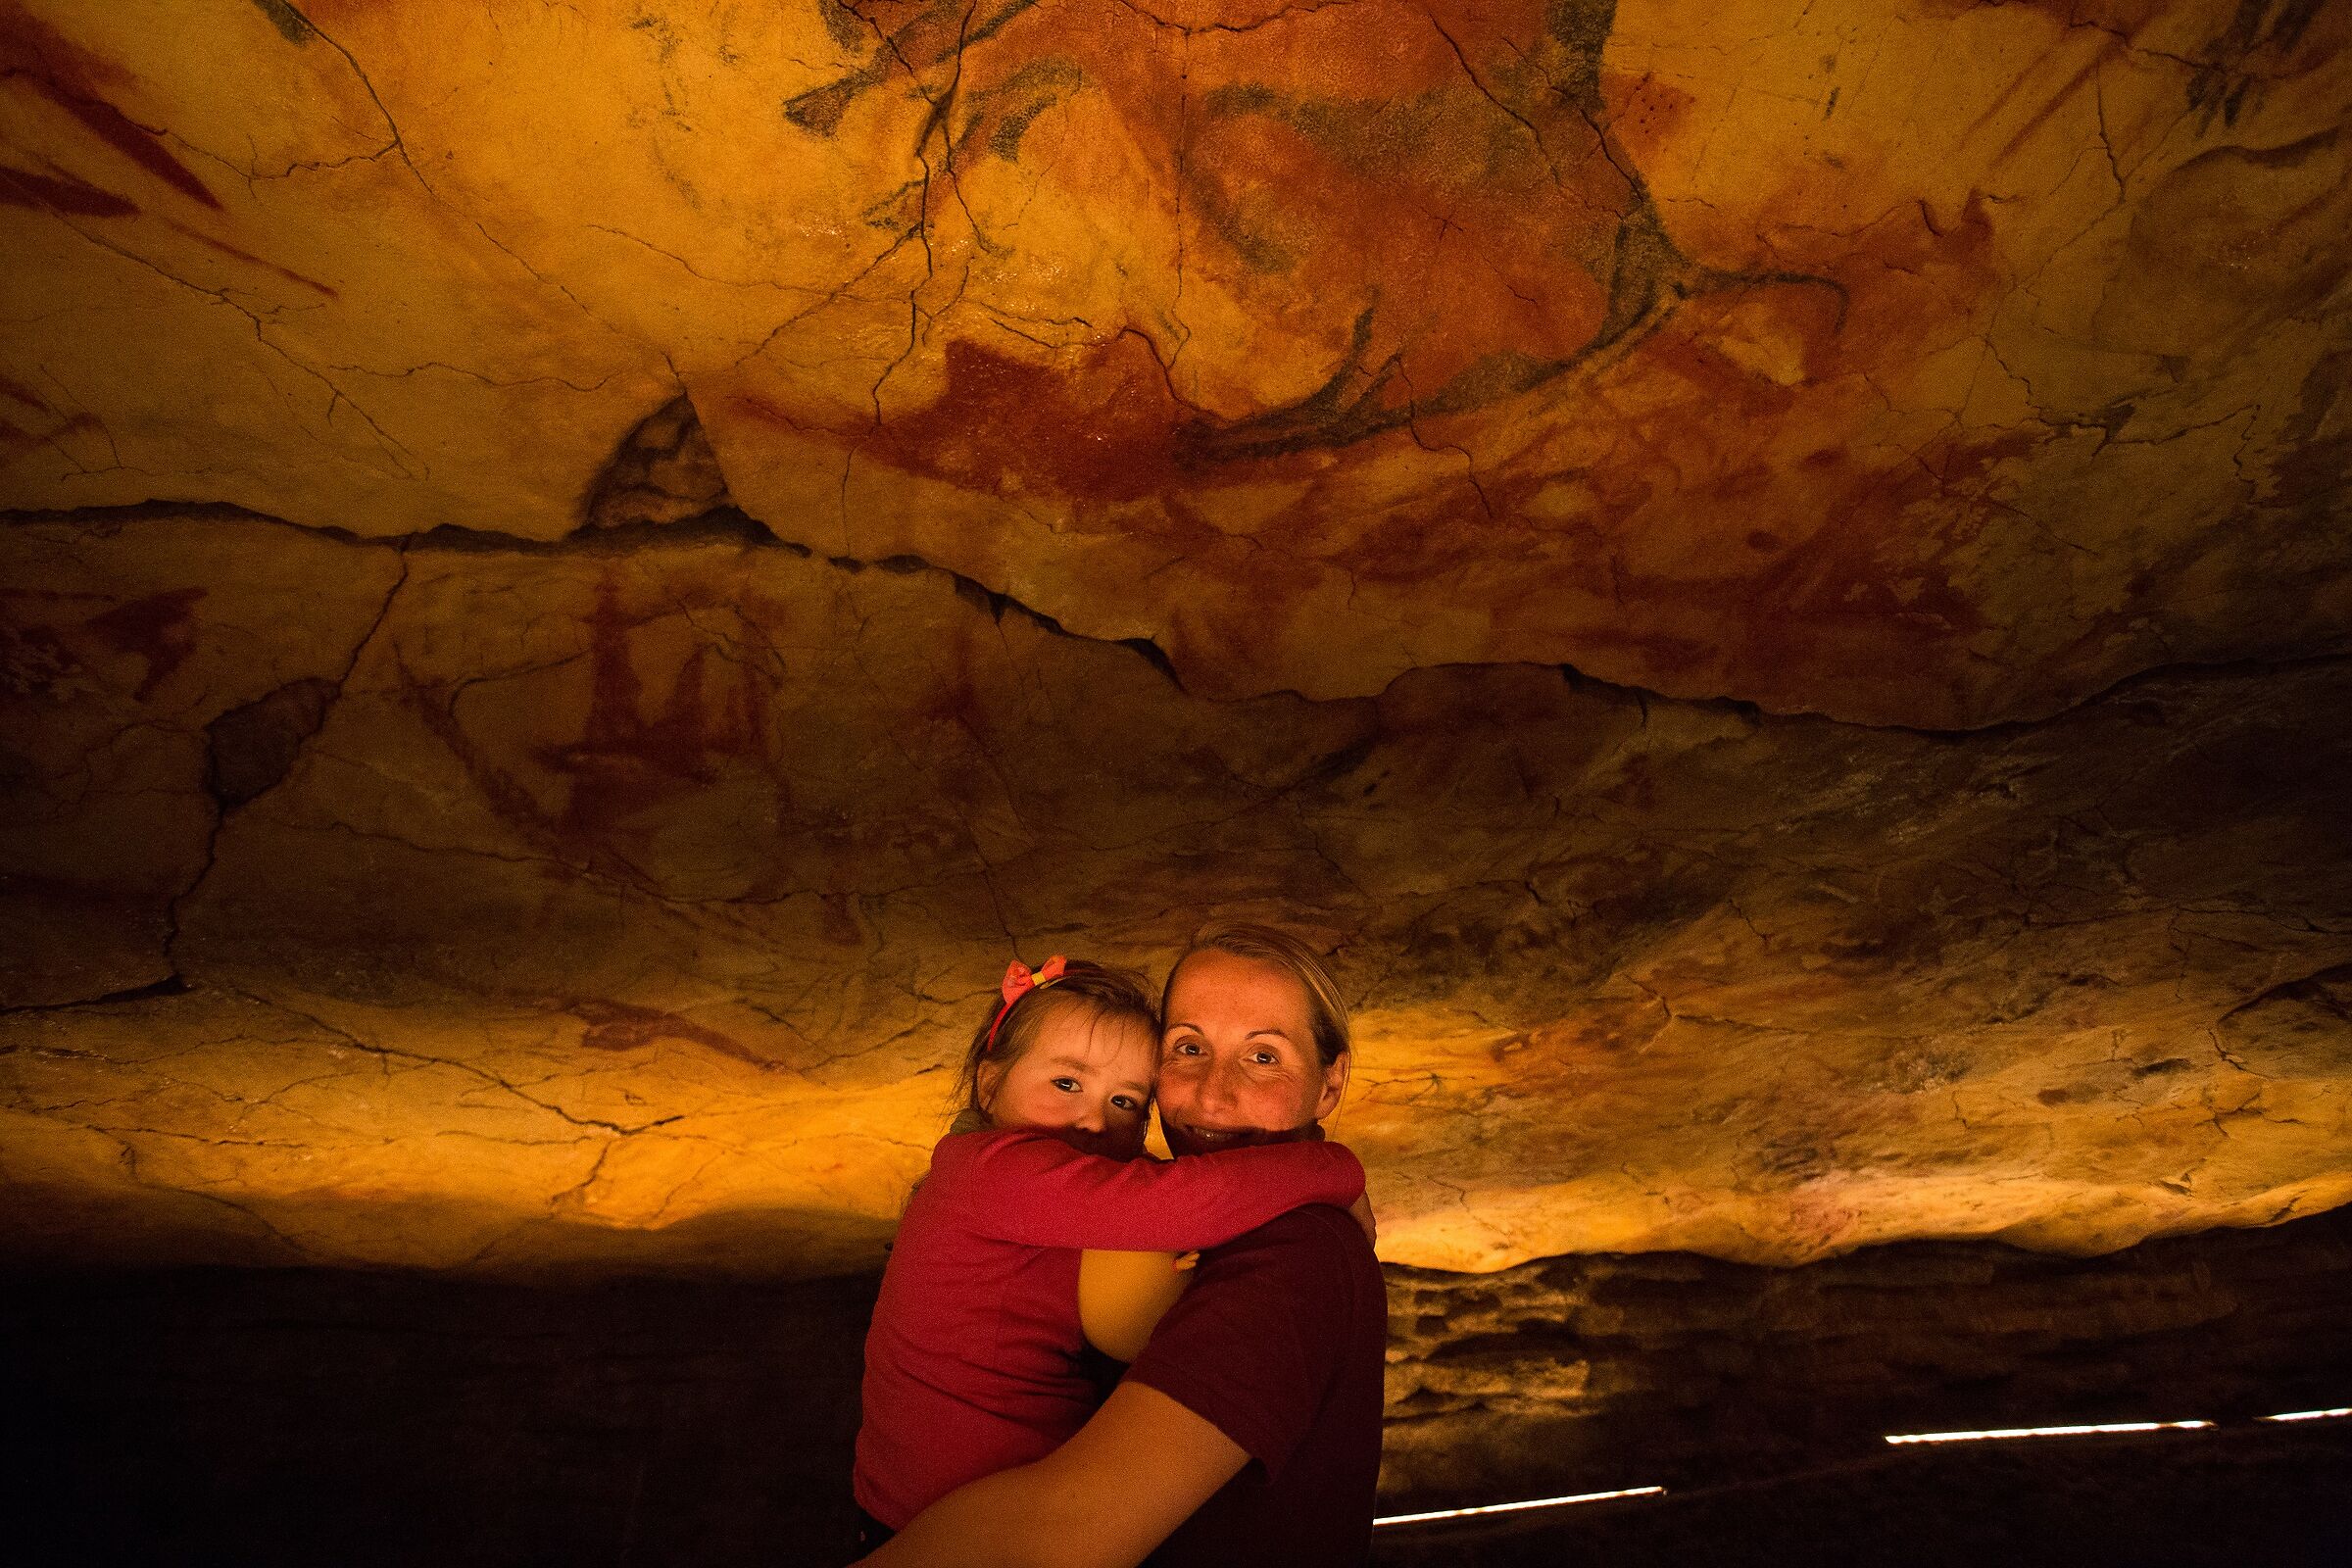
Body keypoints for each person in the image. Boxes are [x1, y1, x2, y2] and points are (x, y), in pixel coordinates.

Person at [859, 924, 1387, 1568]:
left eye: (1263, 1056)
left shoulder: (1295, 1251)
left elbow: (1059, 1534)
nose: (1092, 1122)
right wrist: (1333, 1169)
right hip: (925, 1522)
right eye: (1189, 1047)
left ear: (1329, 1086)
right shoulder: (1001, 1173)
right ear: (990, 1084)